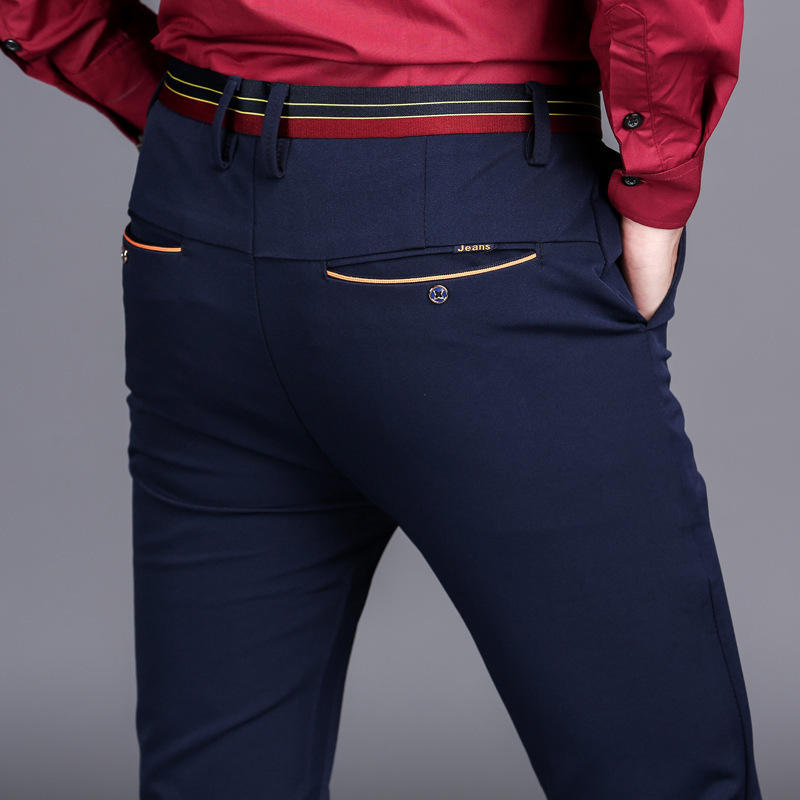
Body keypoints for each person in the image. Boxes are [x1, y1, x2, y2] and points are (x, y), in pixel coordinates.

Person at [2, 2, 763, 798]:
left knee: (219, 777)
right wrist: (660, 181)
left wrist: (176, 122)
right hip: (472, 203)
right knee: (661, 770)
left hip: (195, 224)